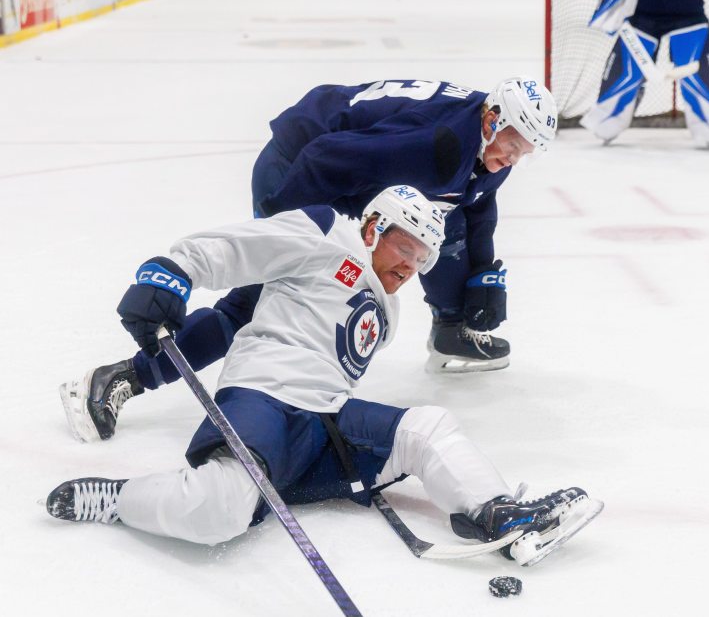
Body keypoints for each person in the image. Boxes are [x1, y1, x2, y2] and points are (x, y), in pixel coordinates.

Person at [47, 186, 597, 566]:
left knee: (427, 427)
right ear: (375, 226)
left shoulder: (390, 311)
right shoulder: (327, 232)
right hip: (263, 397)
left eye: (424, 259)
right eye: (406, 247)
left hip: (324, 426)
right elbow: (241, 248)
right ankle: (117, 499)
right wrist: (174, 272)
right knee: (219, 511)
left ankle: (497, 513)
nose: (411, 266)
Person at [59, 77, 559, 443]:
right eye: (513, 145)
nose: (514, 158)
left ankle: (451, 326)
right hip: (300, 166)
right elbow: (325, 156)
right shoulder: (437, 146)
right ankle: (121, 376)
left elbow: (475, 202)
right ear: (493, 121)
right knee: (252, 306)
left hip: (355, 177)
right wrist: (286, 238)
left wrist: (485, 277)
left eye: (525, 152)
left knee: (434, 230)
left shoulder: (484, 144)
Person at [579, 0, 709, 148]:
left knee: (697, 76)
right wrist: (614, 0)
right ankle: (607, 121)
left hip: (690, 18)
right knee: (626, 74)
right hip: (643, 19)